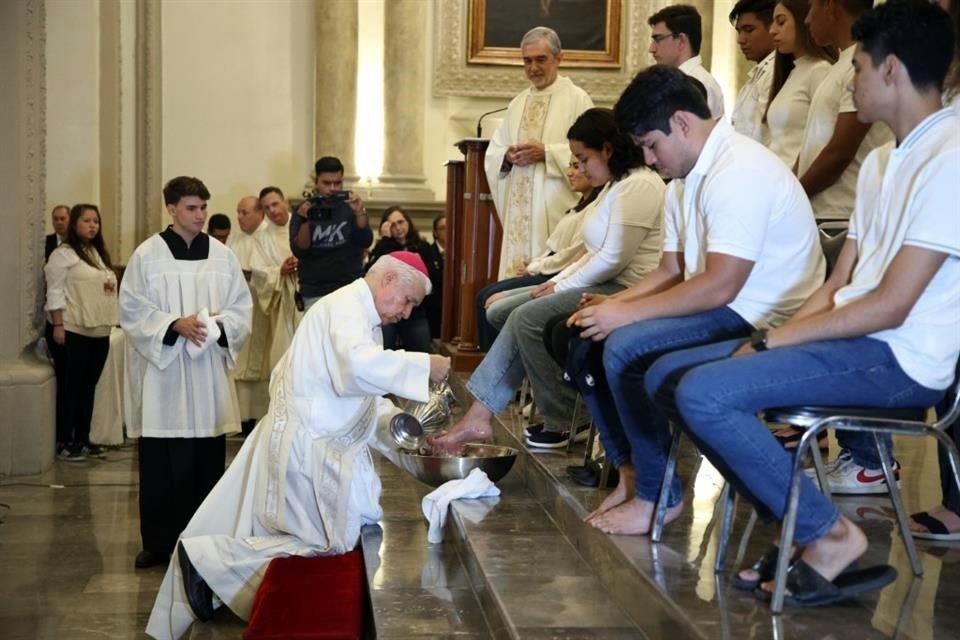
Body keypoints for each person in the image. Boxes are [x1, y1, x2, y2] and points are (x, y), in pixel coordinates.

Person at [650, 0, 959, 602]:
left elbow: (893, 305)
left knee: (705, 391)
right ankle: (804, 528)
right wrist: (766, 344)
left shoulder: (949, 159)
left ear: (892, 69)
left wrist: (771, 341)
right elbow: (839, 283)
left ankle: (828, 535)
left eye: (860, 68)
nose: (852, 80)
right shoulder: (879, 163)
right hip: (858, 341)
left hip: (903, 360)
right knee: (676, 377)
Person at [566, 65, 824, 535]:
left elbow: (720, 285)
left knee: (625, 346)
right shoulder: (689, 176)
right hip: (732, 304)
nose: (647, 157)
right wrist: (611, 307)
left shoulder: (737, 170)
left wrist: (622, 312)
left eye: (650, 144)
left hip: (768, 317)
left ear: (682, 123)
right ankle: (633, 472)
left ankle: (656, 496)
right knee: (586, 334)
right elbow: (674, 271)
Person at [145, 253, 451, 640]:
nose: (407, 314)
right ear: (388, 278)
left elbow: (364, 395)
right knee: (325, 547)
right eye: (407, 300)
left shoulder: (361, 320)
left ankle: (212, 567)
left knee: (332, 543)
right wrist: (426, 365)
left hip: (323, 449)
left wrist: (406, 431)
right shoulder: (344, 308)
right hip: (310, 453)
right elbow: (358, 369)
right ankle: (209, 561)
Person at [430, 108, 665, 453]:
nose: (580, 168)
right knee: (502, 310)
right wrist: (558, 281)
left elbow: (614, 258)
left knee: (525, 318)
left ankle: (563, 415)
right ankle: (500, 410)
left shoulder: (640, 185)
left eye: (584, 159)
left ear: (608, 150)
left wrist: (560, 285)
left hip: (626, 290)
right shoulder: (617, 185)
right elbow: (589, 250)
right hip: (601, 282)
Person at [121, 176, 252, 570]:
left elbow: (240, 309)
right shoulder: (148, 255)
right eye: (192, 208)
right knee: (162, 461)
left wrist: (217, 325)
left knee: (206, 459)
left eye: (203, 208)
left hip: (208, 367)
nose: (200, 215)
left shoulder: (222, 256)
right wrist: (173, 324)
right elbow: (131, 309)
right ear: (172, 209)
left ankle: (203, 540)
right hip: (167, 373)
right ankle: (160, 543)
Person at [485, 26, 594, 279]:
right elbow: (495, 150)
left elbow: (592, 154)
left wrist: (547, 153)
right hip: (520, 216)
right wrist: (506, 158)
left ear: (559, 58)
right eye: (527, 61)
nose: (533, 68)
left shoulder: (577, 99)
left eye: (541, 59)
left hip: (556, 210)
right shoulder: (517, 103)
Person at [476, 157, 600, 351]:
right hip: (552, 271)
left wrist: (535, 268)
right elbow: (553, 247)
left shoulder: (595, 209)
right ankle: (491, 359)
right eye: (569, 166)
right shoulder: (577, 207)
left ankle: (502, 366)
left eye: (575, 167)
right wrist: (534, 263)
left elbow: (569, 255)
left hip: (558, 275)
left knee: (492, 300)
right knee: (485, 295)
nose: (569, 173)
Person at [796, 0, 893, 220]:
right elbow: (813, 144)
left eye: (812, 7)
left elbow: (839, 153)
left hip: (840, 213)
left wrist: (794, 196)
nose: (807, 18)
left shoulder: (860, 65)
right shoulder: (842, 64)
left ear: (830, 6)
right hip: (821, 211)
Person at [44, 204, 118, 461]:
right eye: (86, 220)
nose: (92, 225)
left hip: (99, 331)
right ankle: (66, 440)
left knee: (88, 387)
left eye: (95, 221)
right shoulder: (63, 254)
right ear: (75, 223)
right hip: (73, 329)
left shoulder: (96, 253)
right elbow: (54, 291)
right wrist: (58, 324)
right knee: (70, 388)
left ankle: (84, 438)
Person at [290, 156, 372, 310]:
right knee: (317, 334)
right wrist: (305, 220)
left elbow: (365, 240)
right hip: (315, 290)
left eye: (338, 183)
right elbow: (299, 250)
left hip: (350, 287)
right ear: (316, 182)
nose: (333, 188)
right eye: (327, 183)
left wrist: (359, 212)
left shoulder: (351, 206)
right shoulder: (304, 208)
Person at [764, 0, 838, 167]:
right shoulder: (793, 72)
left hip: (797, 180)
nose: (772, 31)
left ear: (803, 19)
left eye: (781, 22)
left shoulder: (819, 71)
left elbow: (821, 141)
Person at [227, 196, 271, 434]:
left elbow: (272, 271)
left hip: (263, 307)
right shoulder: (237, 238)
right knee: (240, 365)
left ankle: (258, 418)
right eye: (238, 212)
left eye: (244, 212)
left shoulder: (267, 237)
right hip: (240, 309)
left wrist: (254, 277)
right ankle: (242, 418)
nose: (239, 217)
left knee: (261, 365)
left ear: (258, 213)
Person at [366, 206, 432, 353]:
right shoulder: (384, 246)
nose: (398, 228)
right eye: (392, 225)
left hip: (416, 313)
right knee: (383, 351)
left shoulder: (423, 246)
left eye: (401, 222)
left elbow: (431, 280)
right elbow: (371, 272)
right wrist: (385, 241)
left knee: (420, 353)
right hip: (388, 312)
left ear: (408, 222)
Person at [648, 5, 725, 118]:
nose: (651, 49)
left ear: (681, 40)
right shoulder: (675, 80)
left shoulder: (698, 84)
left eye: (658, 39)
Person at [254, 187, 301, 366]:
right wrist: (280, 271)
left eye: (275, 204)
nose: (272, 210)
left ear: (285, 202)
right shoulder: (262, 238)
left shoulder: (302, 226)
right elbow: (259, 272)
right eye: (267, 207)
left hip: (307, 290)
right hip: (283, 301)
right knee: (285, 350)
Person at [730, 0, 778, 143]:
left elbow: (765, 137)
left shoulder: (776, 72)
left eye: (749, 30)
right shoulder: (757, 74)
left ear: (773, 28)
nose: (740, 40)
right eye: (739, 31)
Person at [422, 214, 446, 338]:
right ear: (435, 232)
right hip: (433, 306)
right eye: (442, 228)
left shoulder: (460, 251)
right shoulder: (427, 251)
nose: (447, 231)